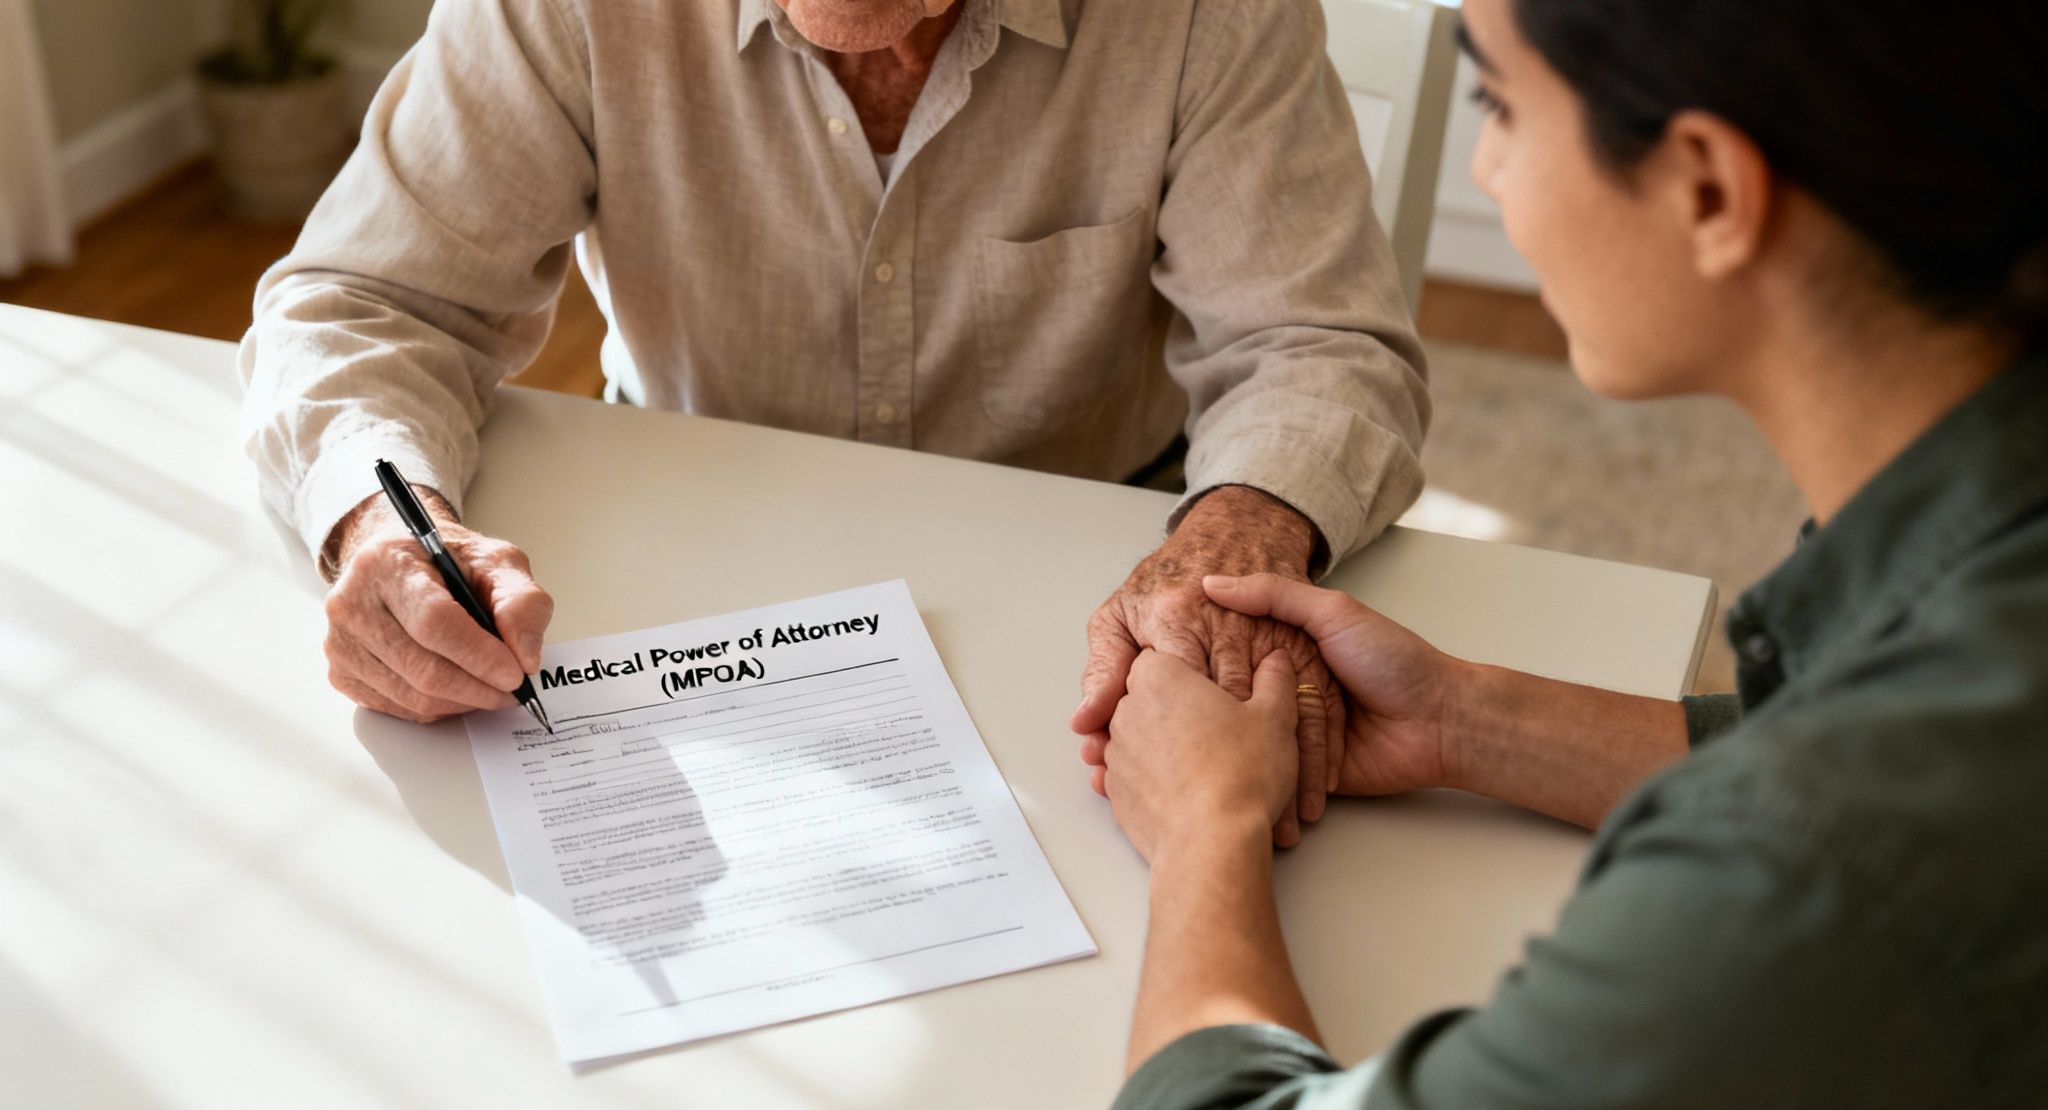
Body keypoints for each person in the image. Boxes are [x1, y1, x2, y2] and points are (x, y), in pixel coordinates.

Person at [1096, 0, 2048, 1110]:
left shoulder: (1811, 874)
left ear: (1705, 187)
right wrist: (1466, 720)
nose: (1488, 172)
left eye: (1498, 103)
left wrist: (1204, 823)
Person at [238, 0, 1431, 843]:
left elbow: (1313, 345)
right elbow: (368, 299)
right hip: (673, 568)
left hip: (1089, 599)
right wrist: (377, 522)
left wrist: (1237, 537)